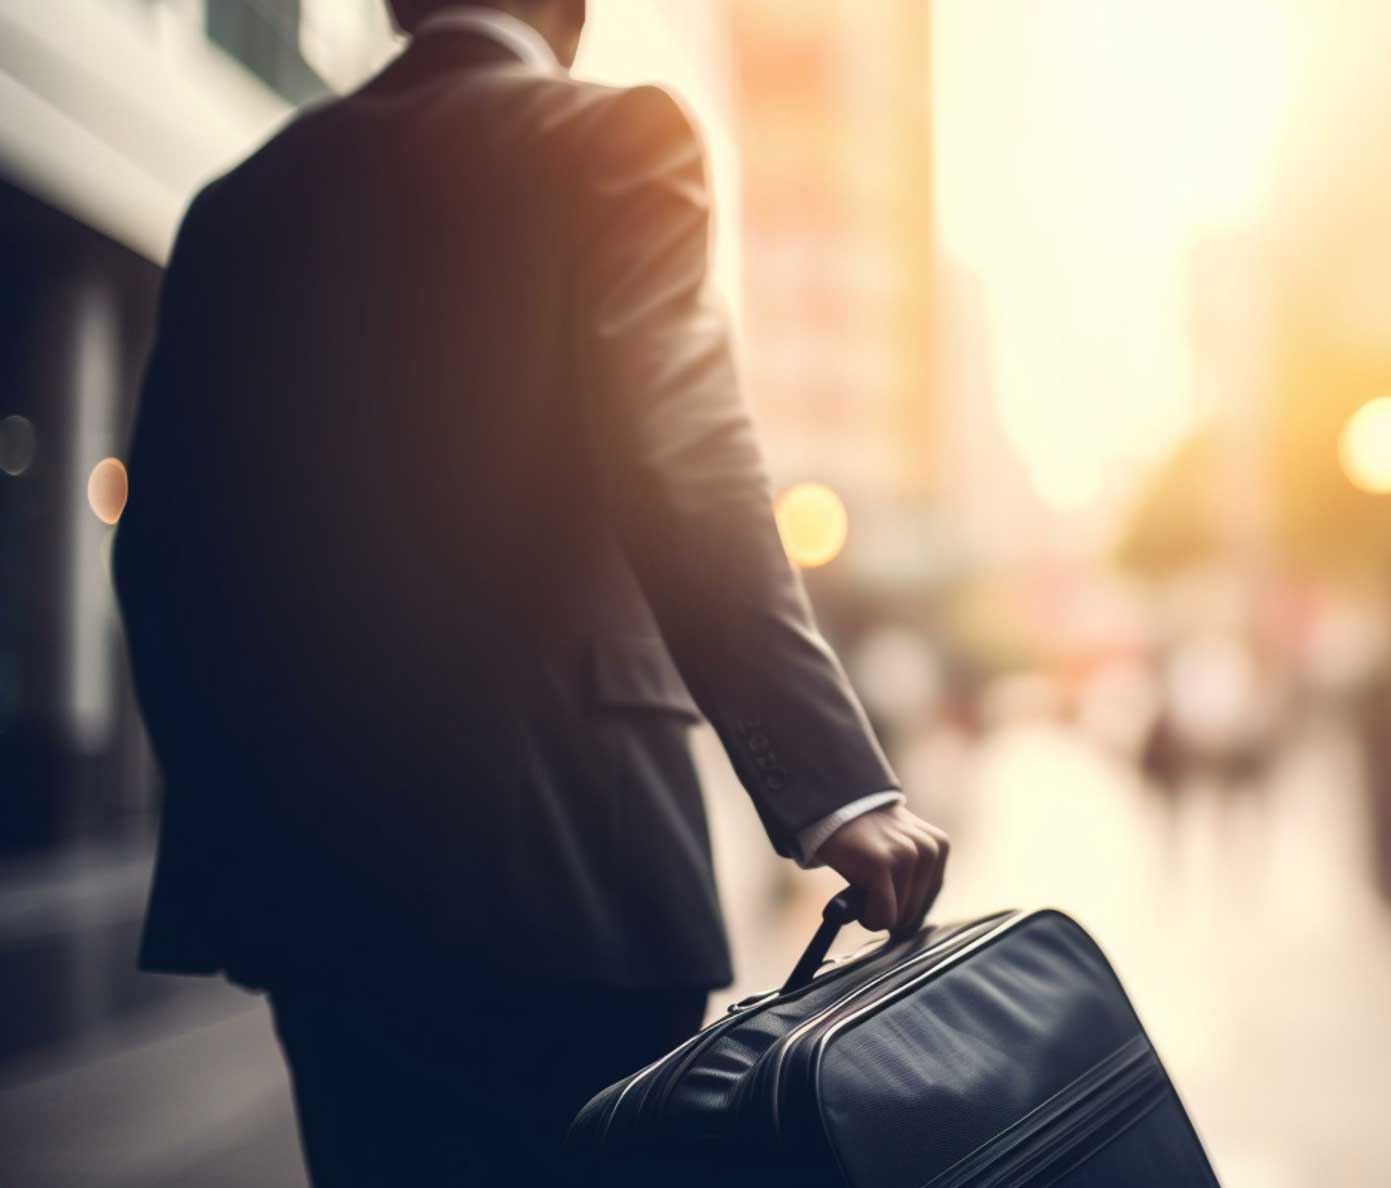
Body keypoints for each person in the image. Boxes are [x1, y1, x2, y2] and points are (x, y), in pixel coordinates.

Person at [110, 1, 949, 1183]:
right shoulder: (611, 141)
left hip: (316, 904)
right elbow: (686, 455)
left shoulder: (238, 203)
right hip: (569, 880)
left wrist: (248, 832)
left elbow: (160, 559)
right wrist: (834, 787)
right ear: (570, 9)